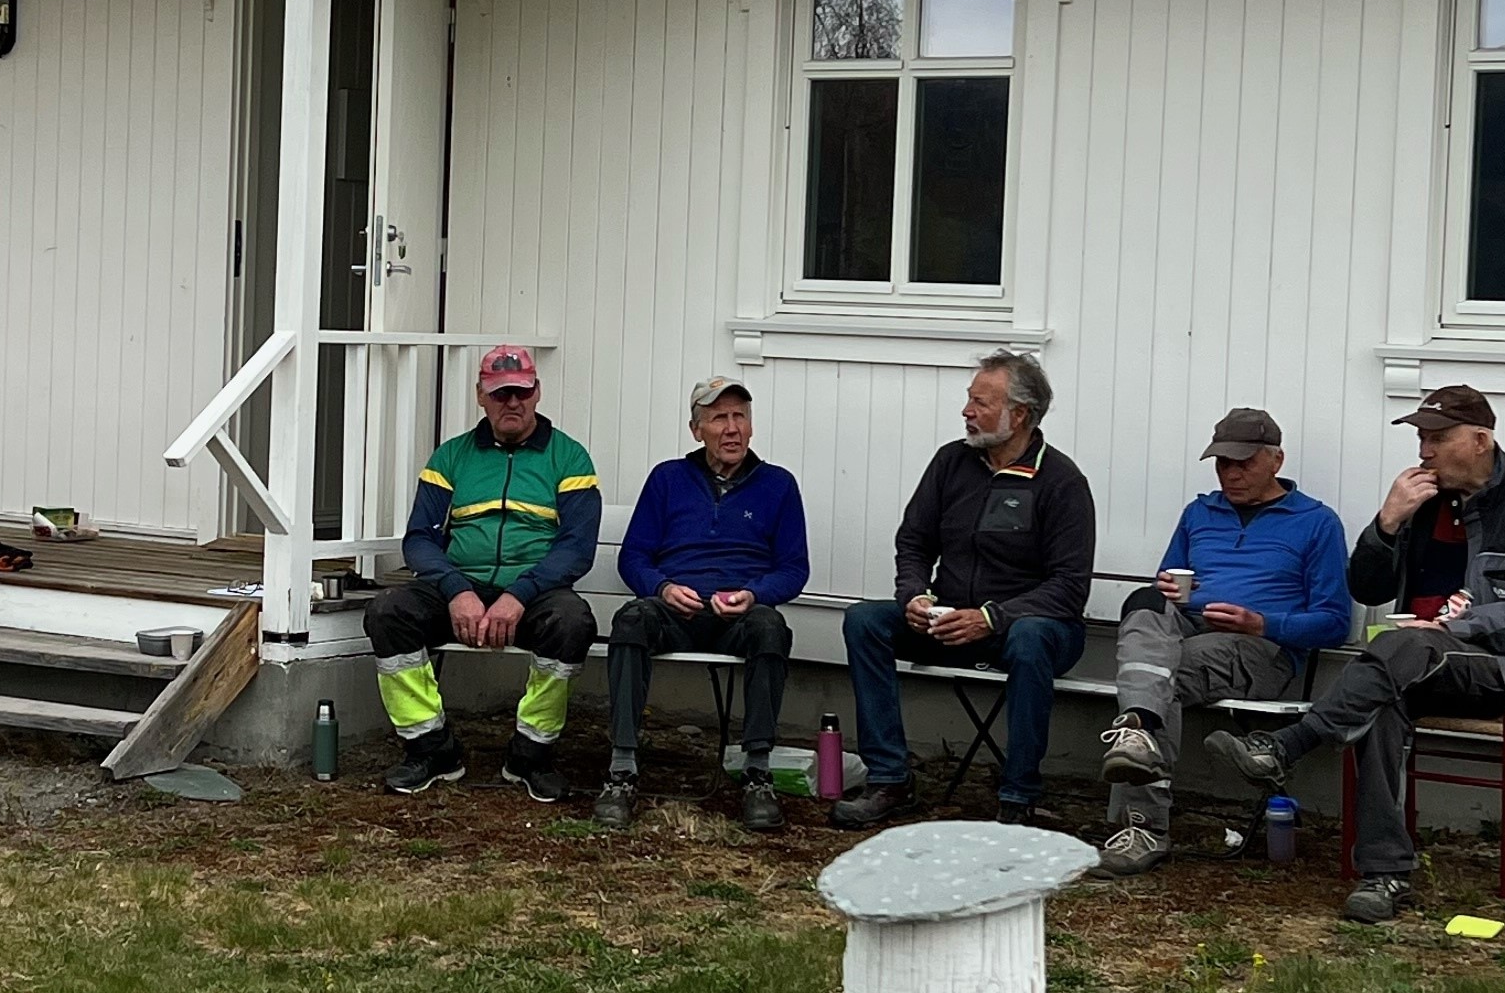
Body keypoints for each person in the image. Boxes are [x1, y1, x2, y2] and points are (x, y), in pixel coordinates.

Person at [1208, 384, 1505, 927]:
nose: (1424, 451)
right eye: (1420, 439)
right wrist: (1386, 524)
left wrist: (1460, 625)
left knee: (1405, 645)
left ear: (1480, 441)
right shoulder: (1421, 501)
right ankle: (1385, 875)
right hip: (1412, 664)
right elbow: (1366, 588)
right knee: (1380, 704)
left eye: (1437, 439)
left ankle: (1290, 744)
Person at [838, 351, 1095, 831]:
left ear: (1020, 414)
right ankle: (889, 779)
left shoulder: (1061, 482)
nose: (966, 411)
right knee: (864, 621)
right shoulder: (951, 462)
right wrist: (914, 595)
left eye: (981, 402)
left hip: (1027, 630)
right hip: (951, 620)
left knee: (1032, 637)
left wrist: (992, 617)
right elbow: (914, 542)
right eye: (969, 399)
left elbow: (1068, 588)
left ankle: (1018, 796)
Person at [1095, 405, 1353, 873]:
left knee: (1157, 679)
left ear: (1276, 460)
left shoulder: (1316, 522)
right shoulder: (1200, 513)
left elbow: (1334, 622)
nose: (1231, 474)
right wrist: (1167, 588)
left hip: (1261, 649)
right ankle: (1138, 734)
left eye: (1244, 463)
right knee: (1144, 604)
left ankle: (1143, 821)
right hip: (1190, 632)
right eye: (1222, 463)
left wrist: (1261, 623)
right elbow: (1166, 588)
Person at [364, 344, 602, 800]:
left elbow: (576, 547)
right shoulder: (451, 457)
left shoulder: (570, 457)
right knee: (388, 612)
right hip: (461, 588)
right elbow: (419, 539)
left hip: (534, 594)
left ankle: (531, 756)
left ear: (537, 392)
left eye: (521, 392)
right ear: (480, 395)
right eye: (499, 393)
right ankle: (431, 749)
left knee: (572, 623)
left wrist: (519, 595)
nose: (512, 402)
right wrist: (456, 590)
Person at [595, 378, 810, 836]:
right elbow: (634, 556)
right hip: (676, 610)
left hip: (739, 614)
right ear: (697, 430)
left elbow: (794, 569)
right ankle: (622, 769)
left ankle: (757, 772)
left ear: (751, 426)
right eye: (719, 418)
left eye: (740, 417)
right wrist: (662, 587)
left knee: (771, 627)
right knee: (631, 620)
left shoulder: (778, 485)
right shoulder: (668, 478)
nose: (732, 428)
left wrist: (754, 594)